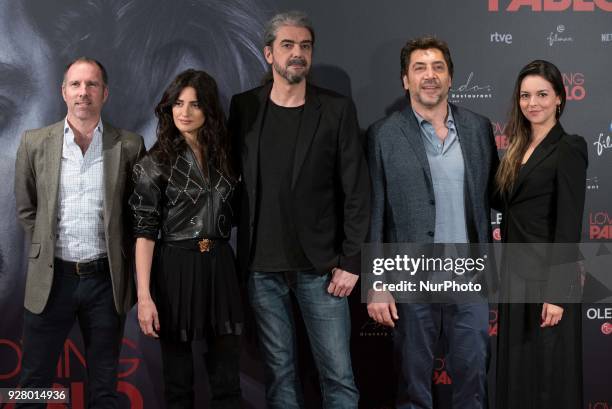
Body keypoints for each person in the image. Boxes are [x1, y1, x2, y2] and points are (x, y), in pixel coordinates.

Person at [228, 10, 370, 409]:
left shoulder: (336, 109)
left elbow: (357, 191)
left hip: (322, 269)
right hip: (261, 267)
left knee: (339, 377)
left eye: (305, 46)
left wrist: (351, 261)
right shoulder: (244, 108)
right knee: (279, 376)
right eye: (288, 45)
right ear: (268, 54)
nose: (297, 53)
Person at [366, 36, 499, 409]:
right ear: (405, 80)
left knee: (474, 380)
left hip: (469, 276)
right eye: (420, 68)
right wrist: (377, 282)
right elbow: (374, 212)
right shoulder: (383, 134)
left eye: (438, 67)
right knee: (412, 386)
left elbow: (491, 197)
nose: (430, 76)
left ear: (451, 78)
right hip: (409, 279)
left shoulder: (477, 128)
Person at [14, 57, 144, 407]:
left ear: (105, 93)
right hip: (52, 279)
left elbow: (137, 215)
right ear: (63, 92)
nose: (83, 92)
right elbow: (27, 209)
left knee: (104, 386)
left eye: (91, 85)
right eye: (76, 84)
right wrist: (44, 245)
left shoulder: (129, 145)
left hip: (105, 281)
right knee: (32, 384)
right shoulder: (34, 142)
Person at [131, 69, 243, 409]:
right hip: (175, 266)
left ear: (208, 109)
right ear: (168, 108)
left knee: (227, 380)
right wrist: (144, 296)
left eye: (195, 104)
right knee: (178, 382)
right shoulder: (154, 163)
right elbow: (144, 233)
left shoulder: (228, 155)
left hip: (221, 264)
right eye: (178, 103)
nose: (185, 112)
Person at [495, 60, 586, 409]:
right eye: (525, 95)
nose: (533, 103)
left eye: (542, 94)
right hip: (514, 276)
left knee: (550, 377)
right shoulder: (516, 149)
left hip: (549, 280)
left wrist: (557, 291)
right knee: (518, 374)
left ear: (560, 99)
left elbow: (569, 225)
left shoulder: (569, 147)